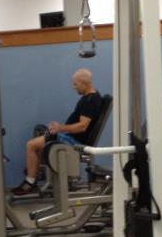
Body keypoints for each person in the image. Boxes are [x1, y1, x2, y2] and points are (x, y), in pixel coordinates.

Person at [11, 67, 104, 195]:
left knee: (31, 145)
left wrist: (60, 128)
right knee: (40, 141)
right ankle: (34, 175)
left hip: (73, 141)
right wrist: (59, 129)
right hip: (70, 137)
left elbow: (82, 126)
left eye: (75, 84)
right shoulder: (93, 97)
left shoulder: (89, 101)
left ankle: (30, 182)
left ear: (84, 83)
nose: (73, 87)